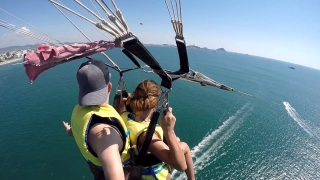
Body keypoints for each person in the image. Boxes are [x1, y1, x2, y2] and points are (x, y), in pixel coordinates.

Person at [62, 59, 131, 180]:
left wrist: (69, 130)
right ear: (109, 87)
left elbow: (79, 131)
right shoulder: (105, 136)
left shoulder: (78, 111)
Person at [118, 79, 195, 180]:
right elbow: (181, 166)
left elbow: (120, 113)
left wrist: (122, 104)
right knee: (183, 145)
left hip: (136, 158)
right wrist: (169, 131)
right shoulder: (146, 135)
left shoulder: (124, 116)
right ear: (157, 103)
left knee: (180, 143)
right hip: (152, 175)